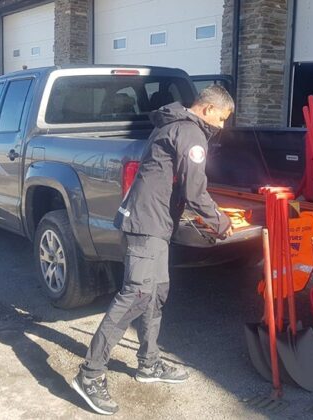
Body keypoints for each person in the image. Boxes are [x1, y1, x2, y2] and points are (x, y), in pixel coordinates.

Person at [72, 85, 235, 415]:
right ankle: (89, 374)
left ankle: (149, 364)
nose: (223, 125)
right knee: (135, 295)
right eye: (222, 117)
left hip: (154, 223)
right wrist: (220, 221)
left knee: (155, 292)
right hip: (147, 224)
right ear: (207, 109)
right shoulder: (191, 133)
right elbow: (194, 189)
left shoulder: (175, 125)